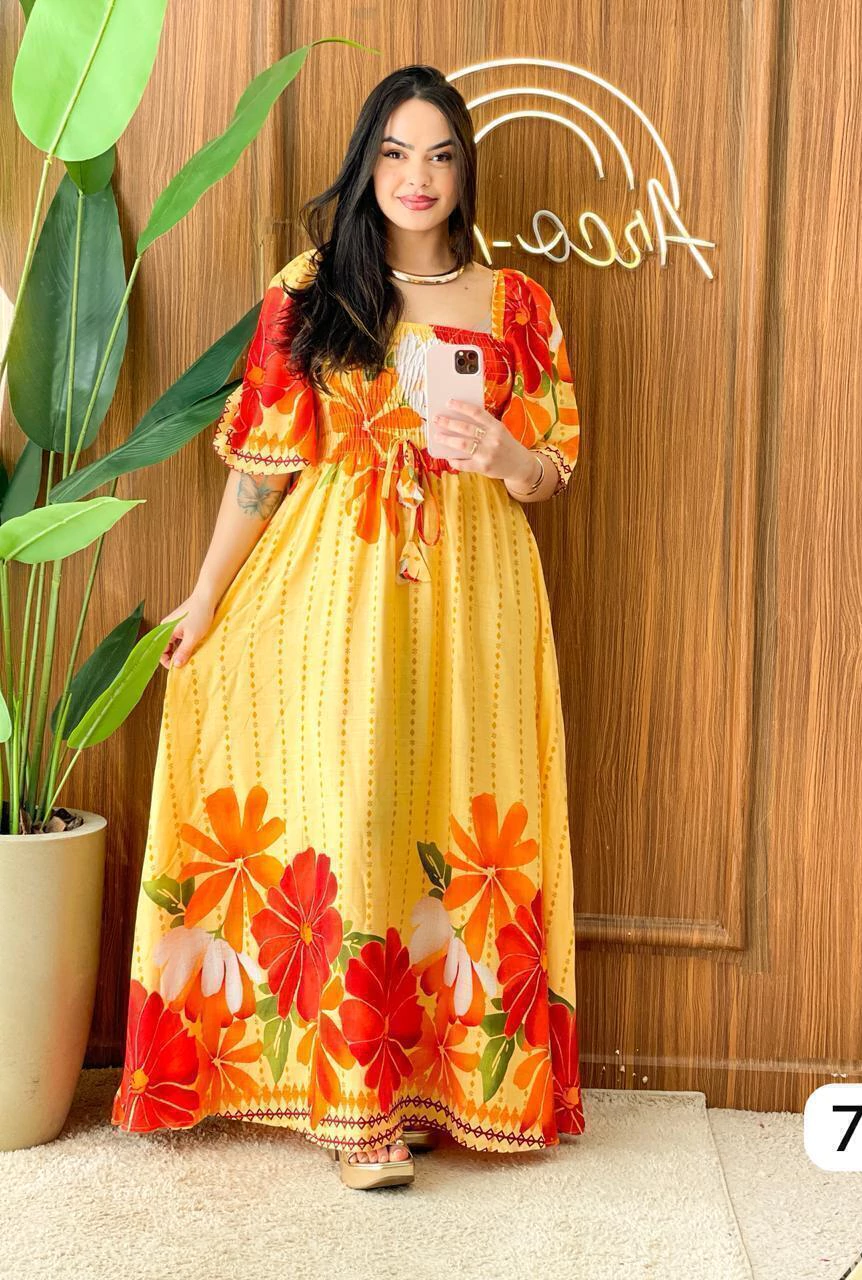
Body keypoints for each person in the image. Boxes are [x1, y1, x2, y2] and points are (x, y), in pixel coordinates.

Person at [110, 64, 585, 1191]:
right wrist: (208, 595)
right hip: (335, 593)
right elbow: (262, 471)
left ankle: (438, 1087)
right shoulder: (313, 287)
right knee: (356, 815)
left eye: (440, 155)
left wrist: (503, 453)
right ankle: (355, 1110)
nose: (418, 177)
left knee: (456, 817)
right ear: (367, 163)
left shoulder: (519, 305)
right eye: (396, 153)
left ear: (464, 171)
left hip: (475, 594)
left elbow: (554, 470)